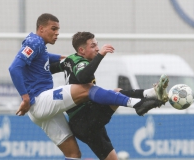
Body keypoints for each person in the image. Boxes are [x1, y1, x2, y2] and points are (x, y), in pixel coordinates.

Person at [8, 13, 164, 160]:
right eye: (53, 29)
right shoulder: (35, 41)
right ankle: (137, 103)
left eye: (58, 29)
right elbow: (14, 68)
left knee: (73, 153)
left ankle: (147, 95)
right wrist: (25, 97)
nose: (57, 33)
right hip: (40, 101)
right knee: (86, 88)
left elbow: (43, 59)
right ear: (41, 29)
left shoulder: (39, 46)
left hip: (40, 113)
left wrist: (64, 58)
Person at [50, 31, 169, 160]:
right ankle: (147, 96)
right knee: (115, 94)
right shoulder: (80, 63)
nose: (97, 48)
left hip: (82, 123)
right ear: (81, 50)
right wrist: (100, 55)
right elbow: (83, 76)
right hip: (86, 117)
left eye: (97, 45)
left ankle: (150, 93)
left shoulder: (69, 60)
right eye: (93, 46)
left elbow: (51, 68)